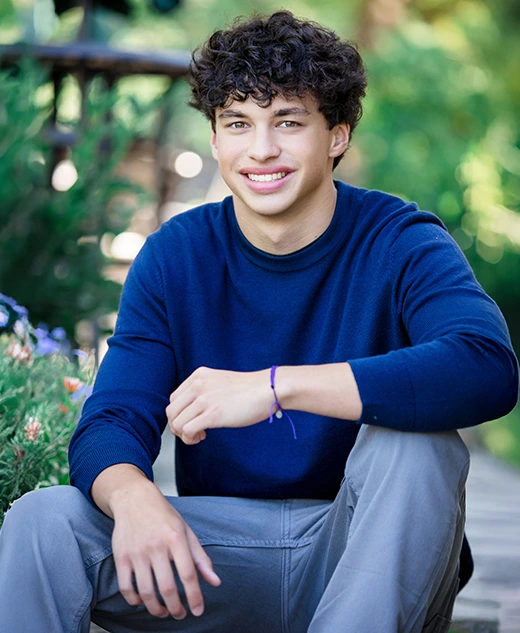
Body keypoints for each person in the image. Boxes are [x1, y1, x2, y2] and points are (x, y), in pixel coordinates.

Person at [0, 10, 518, 633]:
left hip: (368, 558)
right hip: (213, 565)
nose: (261, 149)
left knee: (418, 442)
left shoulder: (401, 241)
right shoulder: (177, 255)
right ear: (216, 139)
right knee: (43, 519)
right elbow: (112, 418)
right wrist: (135, 499)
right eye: (238, 123)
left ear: (337, 135)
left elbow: (485, 365)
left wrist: (276, 386)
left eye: (289, 122)